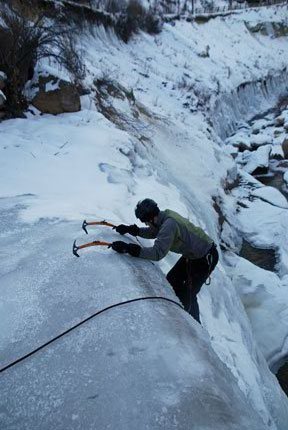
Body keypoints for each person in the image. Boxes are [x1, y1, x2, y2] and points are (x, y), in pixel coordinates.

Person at [110, 199, 218, 324]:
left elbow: (157, 253)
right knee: (172, 279)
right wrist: (133, 230)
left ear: (151, 218)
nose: (145, 224)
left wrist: (130, 249)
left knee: (188, 294)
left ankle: (194, 327)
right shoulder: (164, 218)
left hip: (205, 258)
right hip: (193, 255)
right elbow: (154, 232)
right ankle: (176, 312)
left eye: (145, 221)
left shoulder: (169, 224)